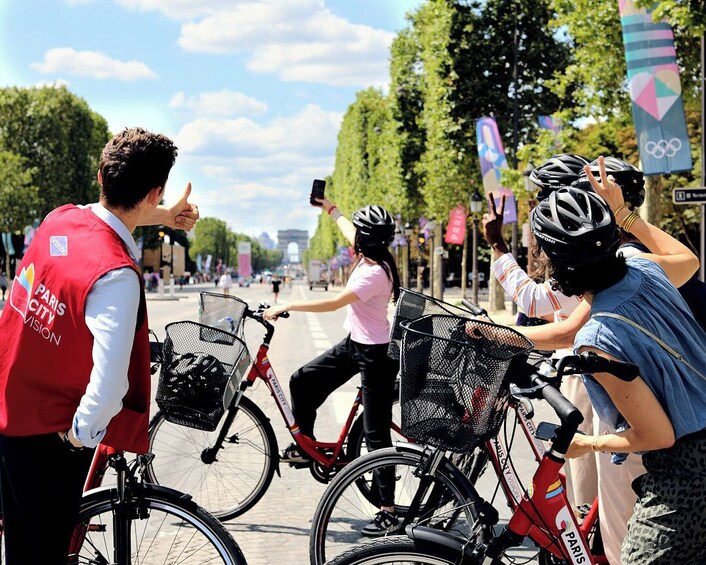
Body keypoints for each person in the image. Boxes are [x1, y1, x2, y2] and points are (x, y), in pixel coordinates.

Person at [0, 127, 199, 565]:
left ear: (100, 176)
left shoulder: (60, 219)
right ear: (155, 190)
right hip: (48, 434)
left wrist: (164, 216)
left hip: (10, 405)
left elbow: (115, 213)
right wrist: (78, 438)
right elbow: (108, 386)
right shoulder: (116, 275)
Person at [530, 158, 706, 564]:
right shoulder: (644, 267)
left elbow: (656, 436)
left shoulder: (596, 340)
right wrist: (624, 213)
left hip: (686, 474)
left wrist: (585, 445)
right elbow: (688, 261)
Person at [264, 198, 399, 537]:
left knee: (376, 434)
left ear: (365, 242)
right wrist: (331, 209)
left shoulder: (373, 273)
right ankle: (305, 444)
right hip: (355, 344)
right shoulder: (372, 253)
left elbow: (333, 303)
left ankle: (389, 511)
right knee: (301, 381)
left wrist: (290, 303)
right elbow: (349, 230)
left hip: (376, 355)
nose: (352, 239)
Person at [482, 153, 598, 516]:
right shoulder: (596, 239)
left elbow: (542, 305)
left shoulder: (580, 251)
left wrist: (498, 246)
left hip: (592, 370)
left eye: (539, 200)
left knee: (587, 483)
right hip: (589, 364)